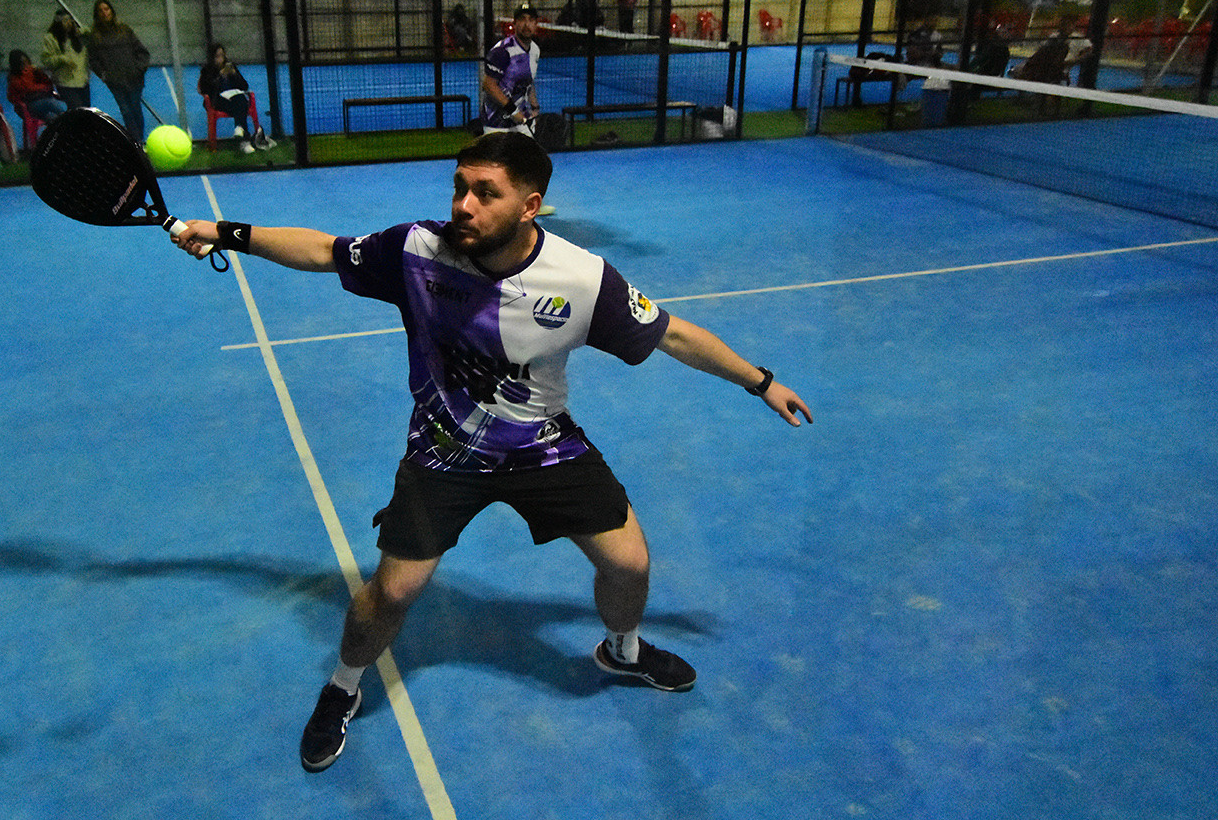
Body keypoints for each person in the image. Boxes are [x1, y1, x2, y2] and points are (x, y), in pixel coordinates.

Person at [171, 131, 814, 774]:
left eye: (485, 193)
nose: (463, 205)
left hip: (544, 446)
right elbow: (323, 250)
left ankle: (622, 650)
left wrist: (760, 382)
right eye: (459, 187)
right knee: (392, 592)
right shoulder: (417, 251)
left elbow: (671, 335)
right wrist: (224, 233)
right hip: (444, 450)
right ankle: (343, 685)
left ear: (530, 206)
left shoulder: (582, 278)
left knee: (630, 563)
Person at [480, 3, 557, 213]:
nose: (527, 24)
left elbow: (528, 83)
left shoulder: (535, 51)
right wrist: (512, 111)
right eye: (522, 19)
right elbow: (489, 85)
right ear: (514, 24)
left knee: (532, 161)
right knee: (495, 169)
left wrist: (535, 107)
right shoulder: (502, 51)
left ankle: (532, 204)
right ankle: (489, 210)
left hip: (521, 117)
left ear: (536, 24)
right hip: (496, 119)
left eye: (531, 20)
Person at [86, 0, 150, 139]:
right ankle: (136, 142)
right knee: (126, 111)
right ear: (96, 14)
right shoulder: (95, 37)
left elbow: (142, 51)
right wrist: (104, 75)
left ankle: (139, 139)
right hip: (115, 81)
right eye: (100, 11)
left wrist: (139, 69)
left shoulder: (125, 30)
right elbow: (93, 60)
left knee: (135, 109)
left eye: (106, 9)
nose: (104, 13)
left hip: (134, 79)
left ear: (112, 11)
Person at [198, 43, 274, 154]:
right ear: (212, 58)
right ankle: (244, 140)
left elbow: (244, 86)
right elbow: (205, 89)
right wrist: (219, 77)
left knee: (240, 100)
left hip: (234, 97)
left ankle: (240, 130)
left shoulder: (230, 67)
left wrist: (234, 75)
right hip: (217, 100)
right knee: (241, 105)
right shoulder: (207, 70)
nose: (220, 59)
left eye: (222, 55)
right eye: (217, 56)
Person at [40, 9, 90, 110]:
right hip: (65, 82)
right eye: (65, 21)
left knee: (86, 110)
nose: (68, 23)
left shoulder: (77, 36)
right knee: (76, 109)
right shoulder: (50, 38)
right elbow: (46, 60)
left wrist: (82, 30)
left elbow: (91, 31)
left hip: (82, 81)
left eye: (70, 20)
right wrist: (62, 59)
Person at [6, 50, 66, 125]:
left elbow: (47, 83)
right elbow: (27, 88)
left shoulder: (34, 72)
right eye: (23, 63)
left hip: (41, 100)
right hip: (28, 106)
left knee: (53, 118)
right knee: (49, 102)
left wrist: (39, 73)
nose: (26, 65)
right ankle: (67, 116)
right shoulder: (15, 79)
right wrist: (41, 87)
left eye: (27, 62)